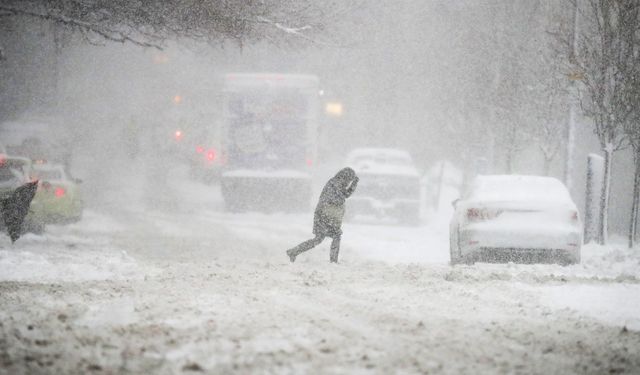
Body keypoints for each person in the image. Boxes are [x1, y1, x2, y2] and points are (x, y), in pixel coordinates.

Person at [286, 167, 359, 263]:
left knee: (321, 238)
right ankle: (333, 261)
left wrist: (354, 184)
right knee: (330, 237)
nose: (349, 182)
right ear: (345, 177)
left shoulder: (337, 183)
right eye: (349, 180)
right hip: (324, 216)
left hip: (328, 216)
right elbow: (338, 198)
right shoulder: (334, 183)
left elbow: (346, 195)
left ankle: (294, 251)